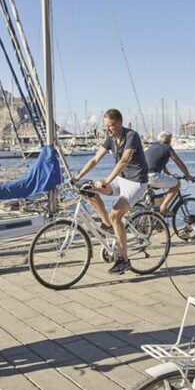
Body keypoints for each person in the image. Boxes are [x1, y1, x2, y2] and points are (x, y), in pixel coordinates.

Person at [70, 108, 149, 274]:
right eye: (105, 126)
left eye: (111, 126)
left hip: (136, 183)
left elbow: (123, 161)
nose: (107, 130)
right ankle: (106, 223)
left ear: (119, 124)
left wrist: (106, 181)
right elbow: (94, 159)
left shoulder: (131, 136)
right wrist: (78, 177)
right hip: (121, 180)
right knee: (88, 190)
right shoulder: (110, 138)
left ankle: (124, 260)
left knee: (116, 215)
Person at [144, 131, 194, 216]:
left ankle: (146, 223)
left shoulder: (152, 147)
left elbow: (158, 161)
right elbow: (179, 163)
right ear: (169, 140)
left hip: (142, 177)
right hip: (153, 176)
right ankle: (163, 207)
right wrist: (188, 175)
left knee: (151, 203)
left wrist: (167, 173)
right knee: (177, 184)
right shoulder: (167, 148)